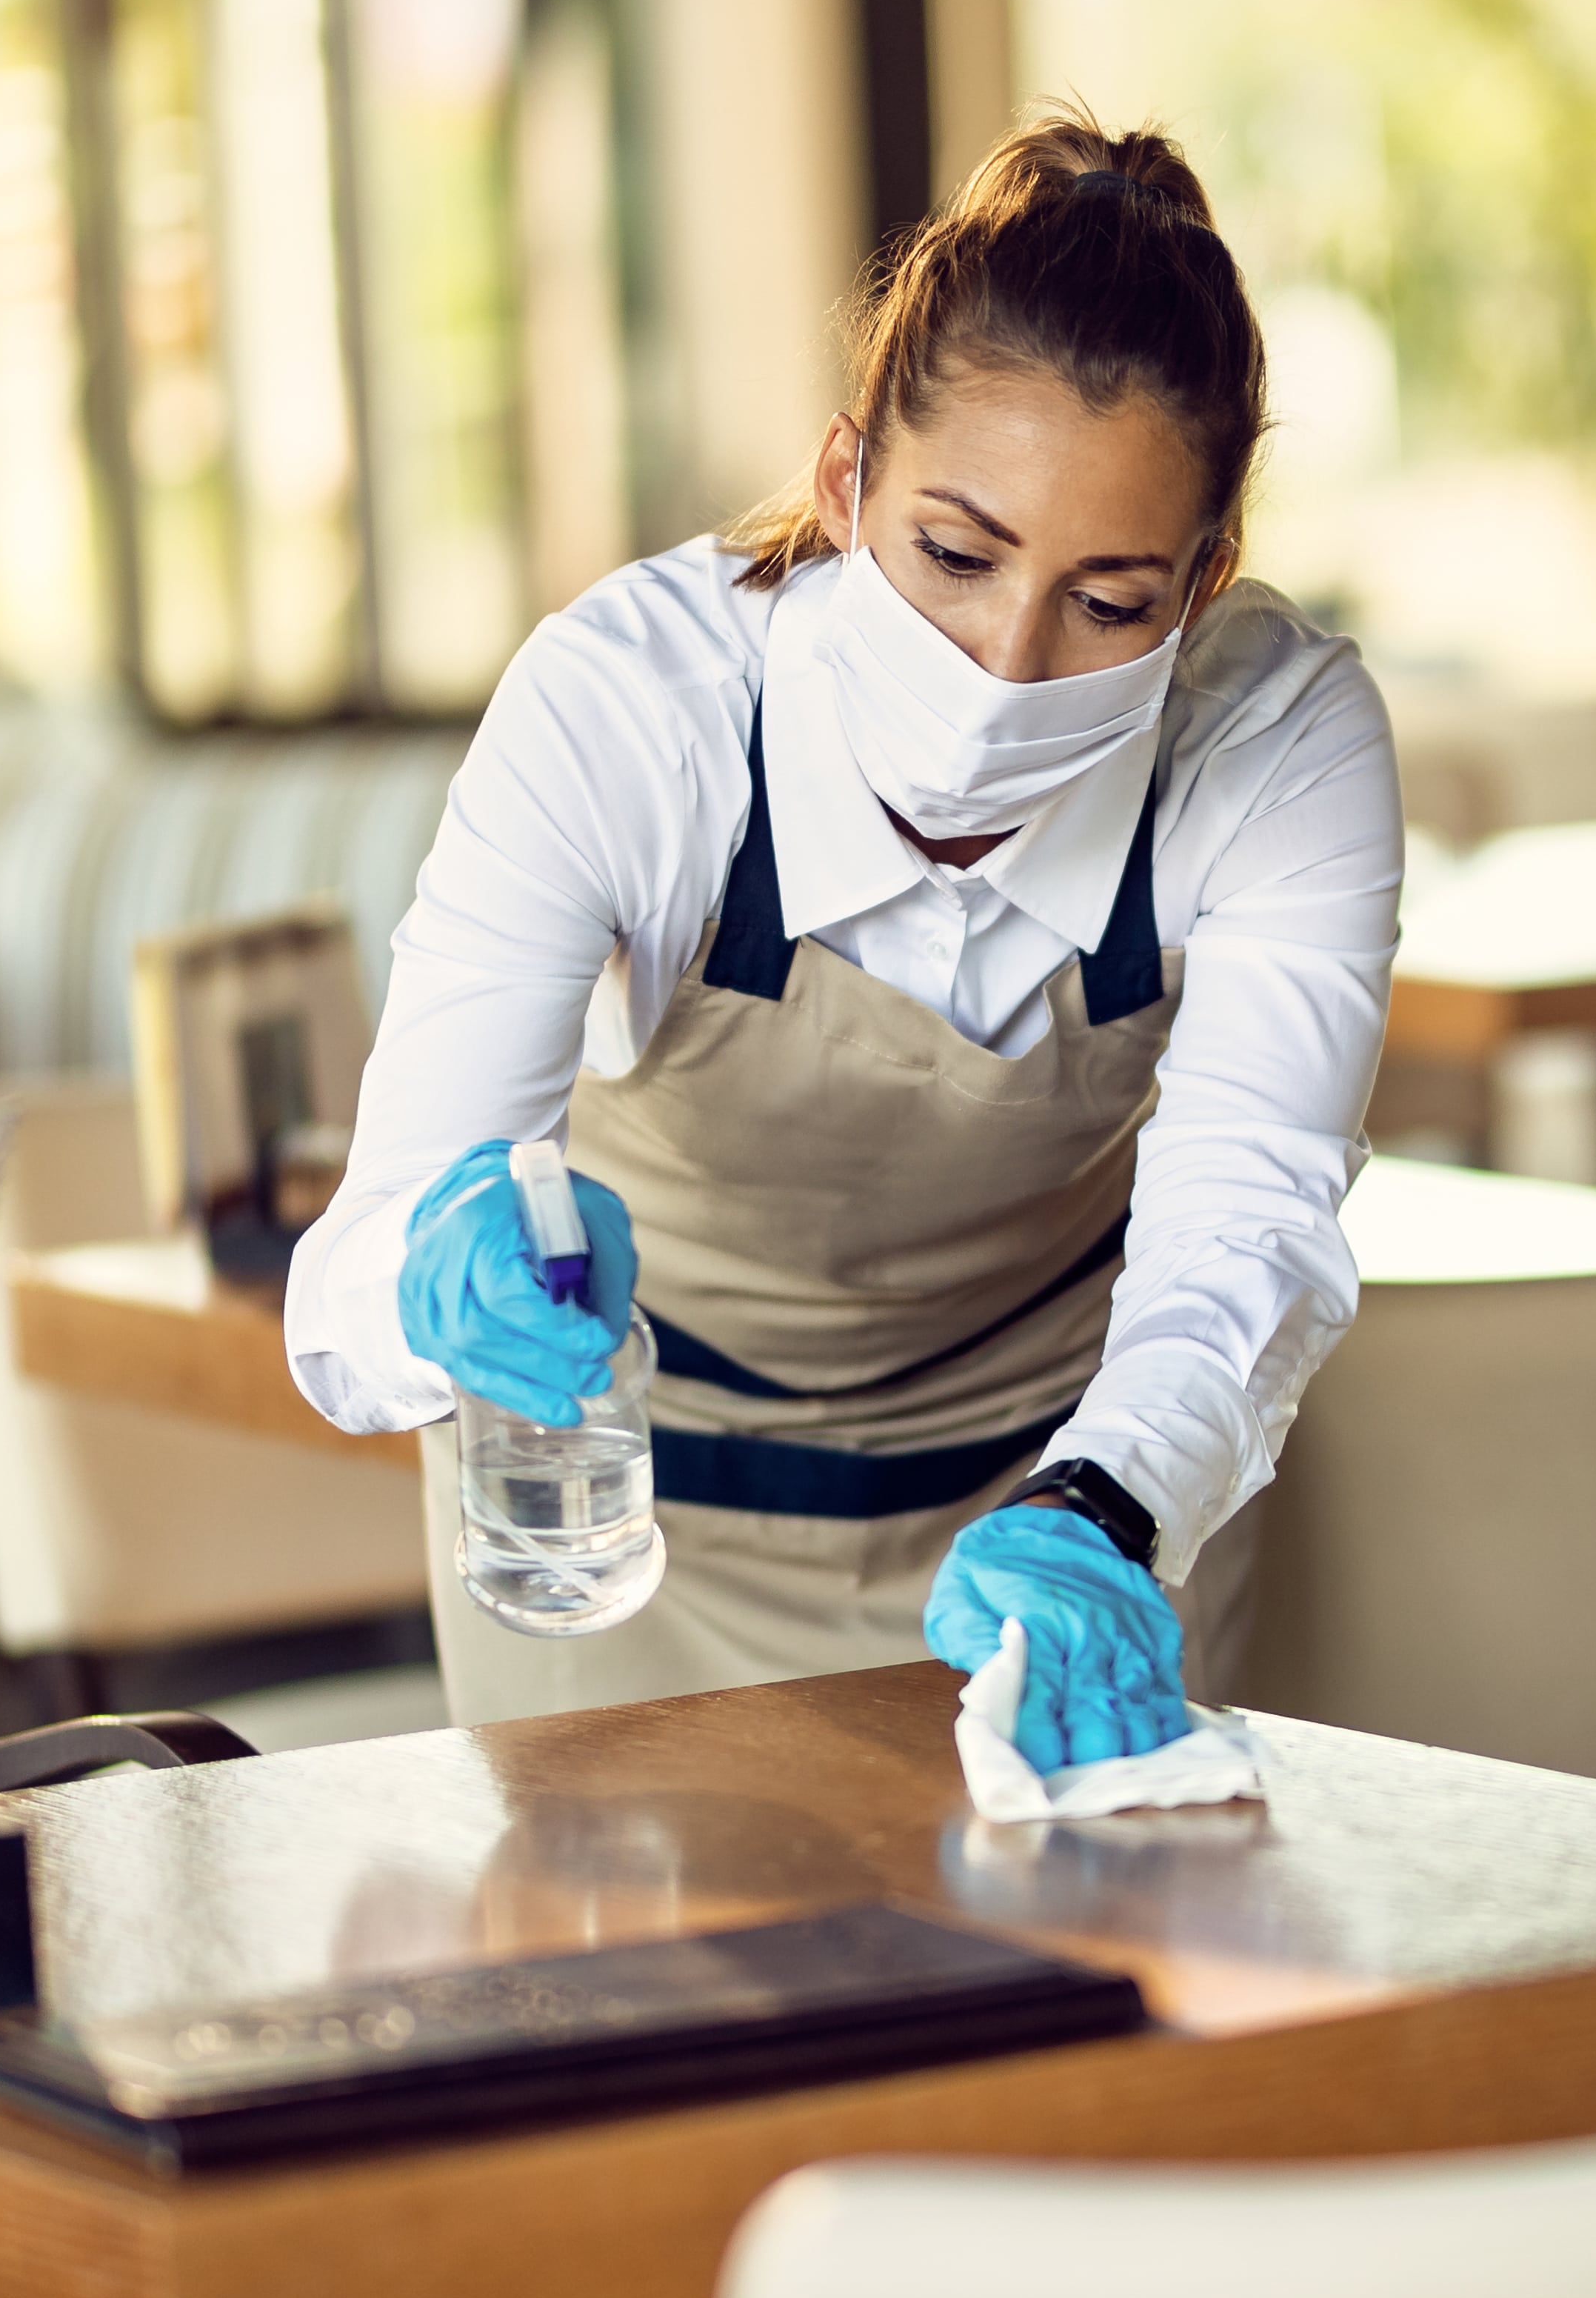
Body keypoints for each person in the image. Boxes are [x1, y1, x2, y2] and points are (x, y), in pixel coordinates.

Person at [286, 115, 1398, 1774]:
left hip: (1060, 1524)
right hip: (630, 1546)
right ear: (844, 477)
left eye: (1110, 603)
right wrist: (438, 1287)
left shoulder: (1276, 745)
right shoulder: (631, 714)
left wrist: (1109, 1510)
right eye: (955, 553)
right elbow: (351, 1288)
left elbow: (1248, 1227)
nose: (1010, 661)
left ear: (1205, 582)